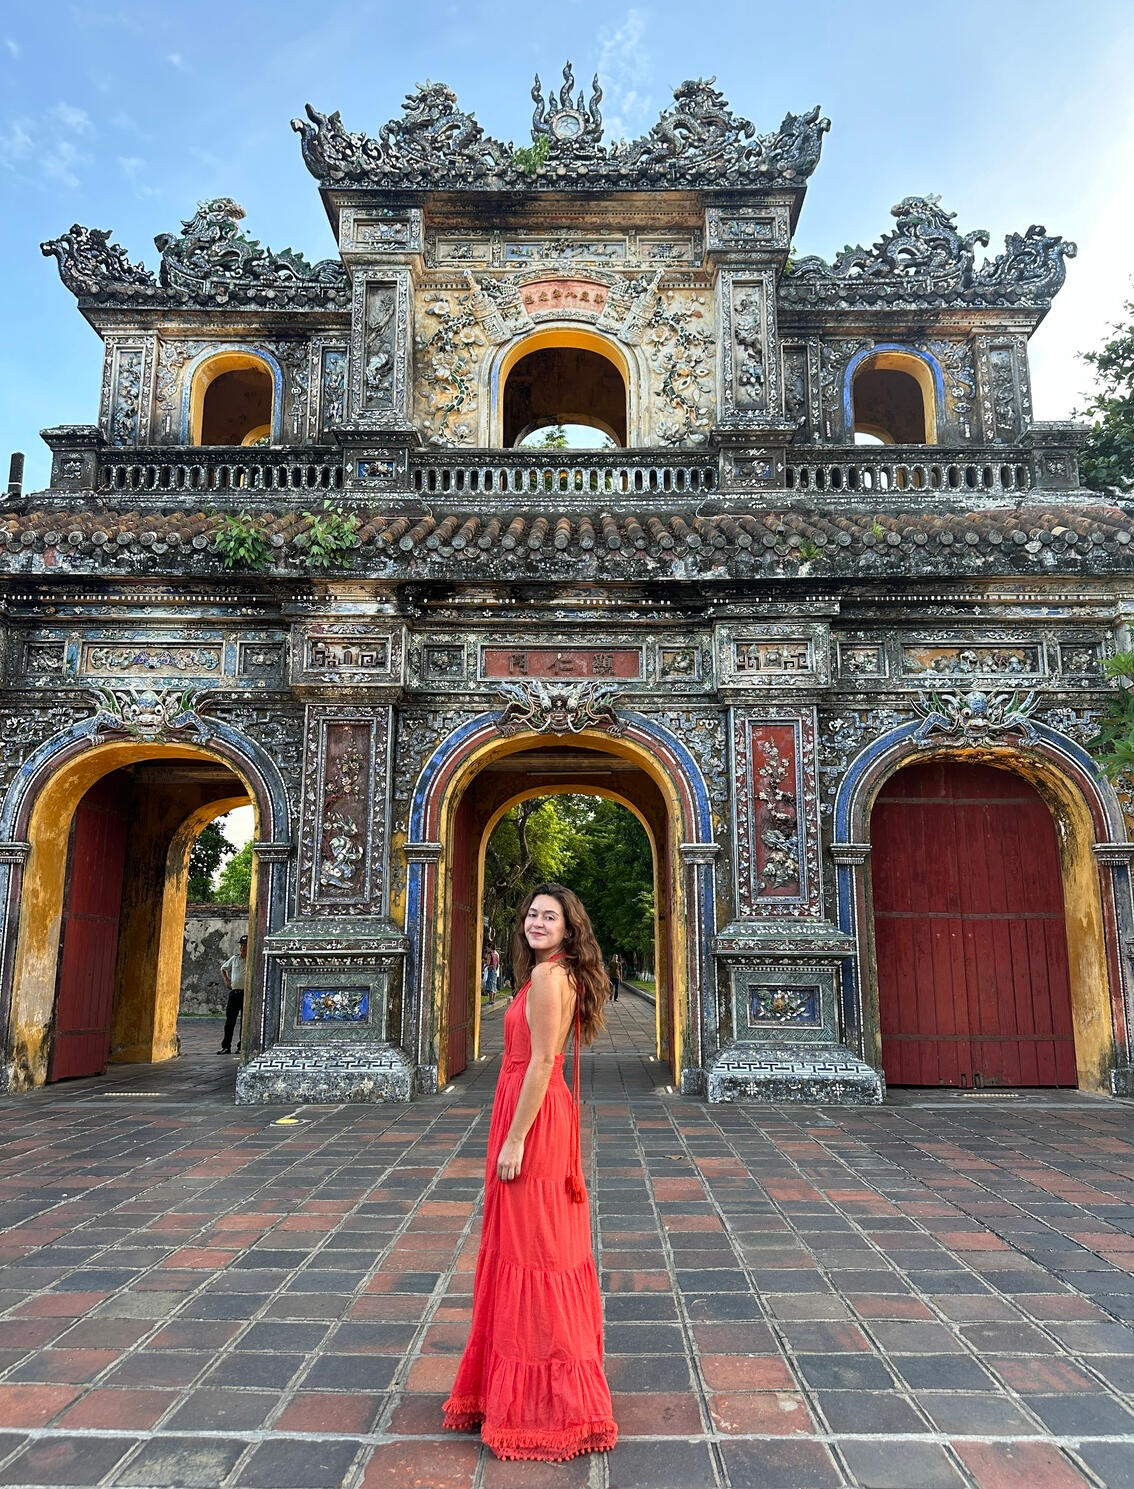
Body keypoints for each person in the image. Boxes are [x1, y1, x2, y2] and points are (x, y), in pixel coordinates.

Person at [443, 884, 617, 1462]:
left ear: (569, 928)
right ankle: (532, 1388)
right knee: (540, 1246)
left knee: (532, 1249)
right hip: (536, 1107)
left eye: (551, 917)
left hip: (533, 1116)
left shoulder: (547, 976)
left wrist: (516, 1137)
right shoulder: (556, 972)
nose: (537, 922)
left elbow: (542, 1060)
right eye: (533, 914)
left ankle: (545, 1401)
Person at [217, 934, 248, 1055]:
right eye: (242, 945)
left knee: (244, 1022)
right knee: (230, 1022)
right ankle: (226, 1046)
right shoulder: (235, 959)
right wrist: (227, 980)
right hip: (235, 993)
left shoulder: (252, 960)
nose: (243, 948)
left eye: (245, 945)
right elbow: (223, 968)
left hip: (246, 994)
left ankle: (242, 1046)